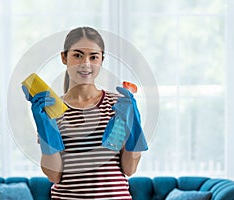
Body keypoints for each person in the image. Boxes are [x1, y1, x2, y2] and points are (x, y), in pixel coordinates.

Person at [24, 26, 148, 199]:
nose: (86, 63)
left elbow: (129, 169)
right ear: (64, 57)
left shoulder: (119, 104)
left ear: (101, 60)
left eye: (93, 57)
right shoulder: (52, 109)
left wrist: (134, 127)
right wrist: (45, 129)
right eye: (77, 55)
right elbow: (54, 176)